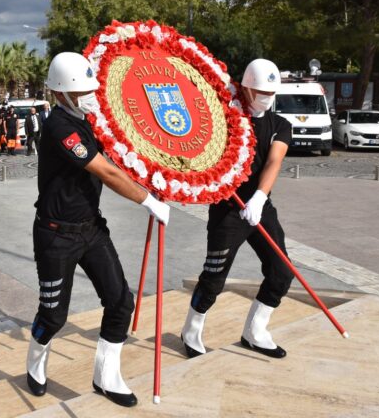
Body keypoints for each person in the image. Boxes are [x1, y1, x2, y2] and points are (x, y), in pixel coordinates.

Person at [25, 52, 170, 408]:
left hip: (91, 228)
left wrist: (155, 169)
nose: (91, 95)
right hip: (55, 235)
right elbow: (105, 171)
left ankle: (107, 375)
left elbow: (120, 156)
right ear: (61, 94)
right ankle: (36, 357)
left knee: (121, 301)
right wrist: (147, 200)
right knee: (54, 315)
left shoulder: (88, 119)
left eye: (92, 88)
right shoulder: (59, 126)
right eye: (82, 91)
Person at [181, 59, 294, 360]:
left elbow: (274, 161)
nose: (266, 97)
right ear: (245, 87)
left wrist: (259, 197)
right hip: (228, 209)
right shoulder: (225, 117)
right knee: (214, 278)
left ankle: (255, 331)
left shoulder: (280, 125)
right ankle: (191, 329)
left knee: (282, 271)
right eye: (260, 91)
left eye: (271, 91)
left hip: (258, 206)